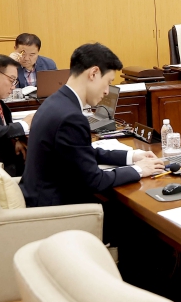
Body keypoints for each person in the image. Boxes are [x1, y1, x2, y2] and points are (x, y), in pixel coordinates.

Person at [20, 43, 164, 207]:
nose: (107, 91)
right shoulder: (71, 117)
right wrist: (139, 169)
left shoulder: (55, 101)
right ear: (94, 73)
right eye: (108, 82)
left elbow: (82, 153)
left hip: (39, 198)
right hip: (55, 209)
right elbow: (95, 181)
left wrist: (131, 157)